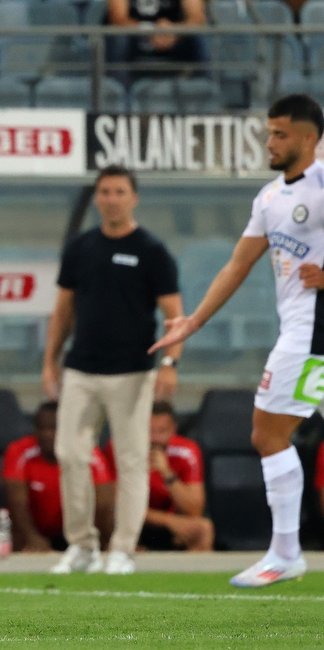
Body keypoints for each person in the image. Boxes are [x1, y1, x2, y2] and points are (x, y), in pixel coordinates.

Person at [152, 94, 324, 587]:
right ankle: (286, 552)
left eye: (281, 134)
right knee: (271, 433)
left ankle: (286, 552)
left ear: (309, 138)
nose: (270, 142)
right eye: (268, 132)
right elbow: (237, 264)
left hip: (313, 332)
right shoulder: (270, 198)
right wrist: (193, 322)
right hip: (302, 331)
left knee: (268, 434)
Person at [43, 164, 183, 576]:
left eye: (119, 191)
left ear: (133, 197)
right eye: (104, 192)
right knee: (69, 454)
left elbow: (175, 317)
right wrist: (50, 361)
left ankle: (122, 549)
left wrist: (170, 364)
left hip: (134, 372)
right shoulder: (80, 247)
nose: (111, 199)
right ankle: (82, 546)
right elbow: (63, 311)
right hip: (82, 369)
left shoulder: (152, 251)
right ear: (98, 198)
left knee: (132, 459)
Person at [2, 402, 115, 555]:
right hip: (33, 527)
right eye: (41, 428)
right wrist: (32, 537)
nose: (47, 434)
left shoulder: (89, 453)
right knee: (15, 532)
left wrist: (109, 539)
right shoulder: (19, 451)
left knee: (105, 534)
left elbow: (105, 503)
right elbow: (16, 502)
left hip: (78, 527)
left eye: (54, 428)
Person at [105, 401, 213, 552]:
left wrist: (167, 473)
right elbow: (117, 504)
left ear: (173, 430)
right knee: (111, 521)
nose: (155, 439)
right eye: (149, 431)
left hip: (170, 524)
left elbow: (195, 509)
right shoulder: (119, 449)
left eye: (161, 431)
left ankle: (196, 574)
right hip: (134, 522)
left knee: (203, 528)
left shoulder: (187, 451)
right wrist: (169, 521)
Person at [105, 0, 209, 86]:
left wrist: (175, 32)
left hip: (174, 38)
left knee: (201, 36)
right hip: (135, 37)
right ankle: (118, 100)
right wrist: (150, 30)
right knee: (119, 38)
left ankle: (208, 96)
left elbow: (197, 18)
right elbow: (118, 19)